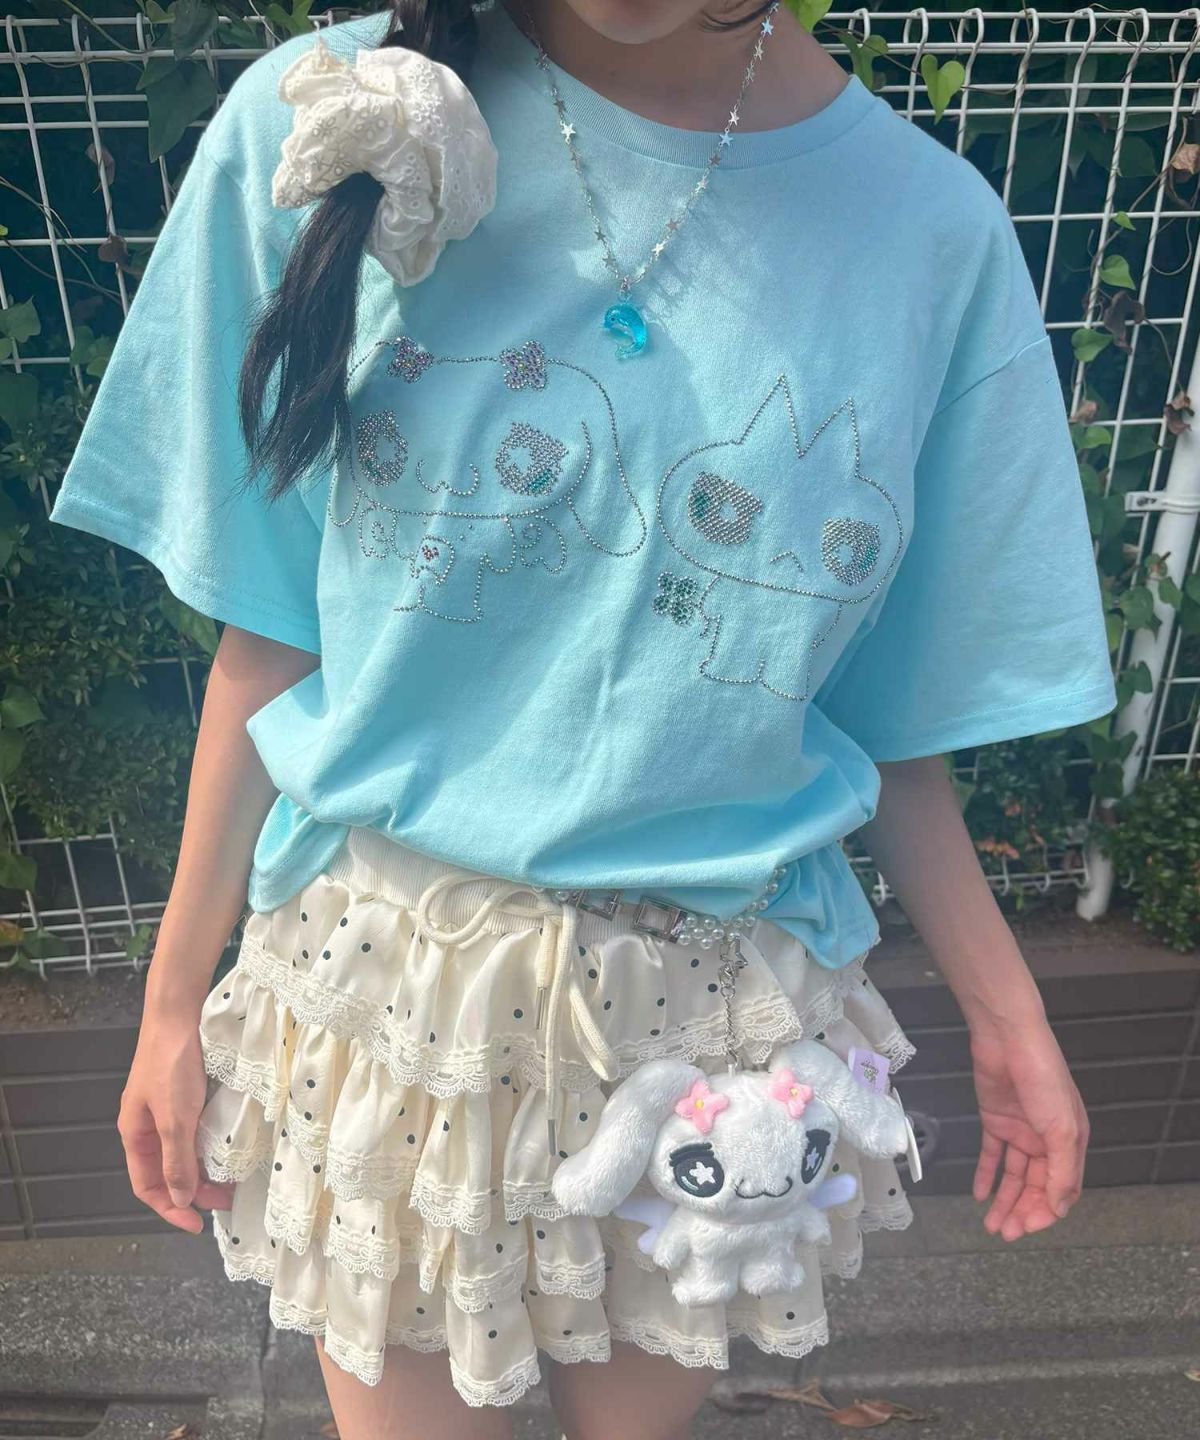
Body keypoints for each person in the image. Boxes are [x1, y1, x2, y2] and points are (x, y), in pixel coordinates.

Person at [48, 2, 1118, 1437]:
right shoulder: (326, 121)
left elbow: (888, 722)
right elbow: (272, 633)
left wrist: (1008, 1013)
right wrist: (173, 1003)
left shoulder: (930, 236)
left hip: (715, 1030)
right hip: (394, 1002)